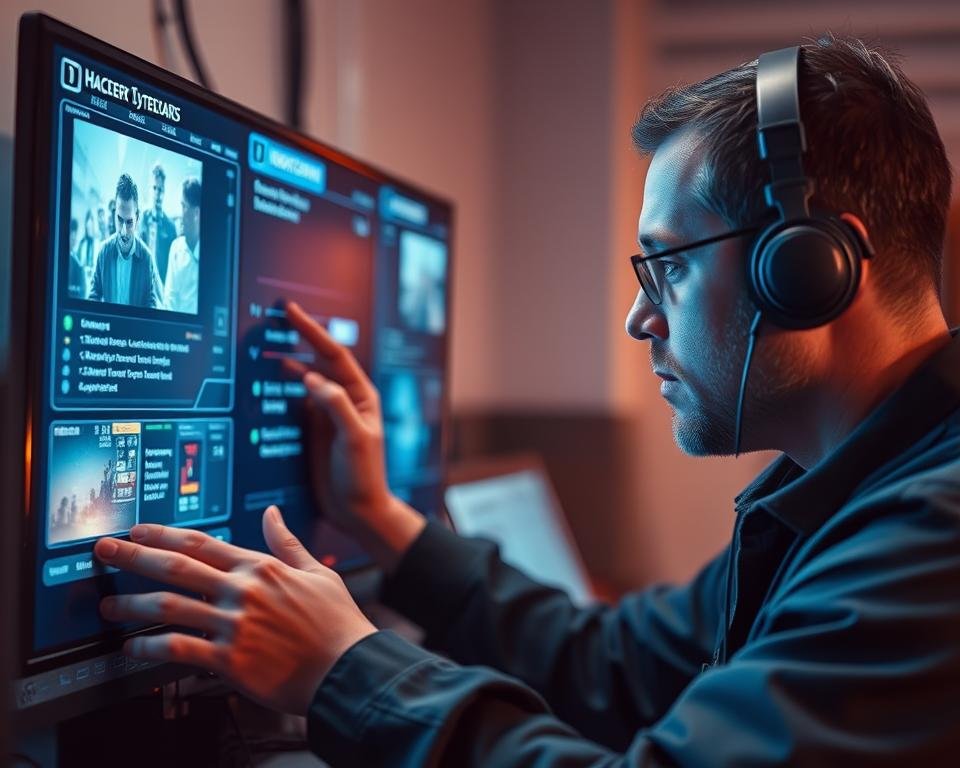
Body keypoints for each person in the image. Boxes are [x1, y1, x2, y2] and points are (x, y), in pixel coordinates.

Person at [94, 35, 960, 765]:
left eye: (670, 266)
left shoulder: (930, 543)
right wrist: (381, 520)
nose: (639, 318)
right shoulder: (837, 494)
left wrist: (344, 670)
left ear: (808, 270)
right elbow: (616, 666)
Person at [89, 174, 163, 309]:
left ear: (137, 218)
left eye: (129, 222)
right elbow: (93, 298)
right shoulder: (103, 253)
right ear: (114, 215)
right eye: (120, 220)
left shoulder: (147, 259)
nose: (123, 231)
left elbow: (151, 308)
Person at [163, 177, 201, 314]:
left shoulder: (213, 254)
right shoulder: (176, 248)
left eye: (183, 206)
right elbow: (169, 301)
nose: (180, 214)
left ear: (196, 213)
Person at [140, 162, 178, 285]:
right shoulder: (142, 219)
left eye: (160, 189)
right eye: (154, 188)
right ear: (150, 189)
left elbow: (173, 266)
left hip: (161, 286)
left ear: (164, 191)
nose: (157, 193)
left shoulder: (171, 227)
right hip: (142, 283)